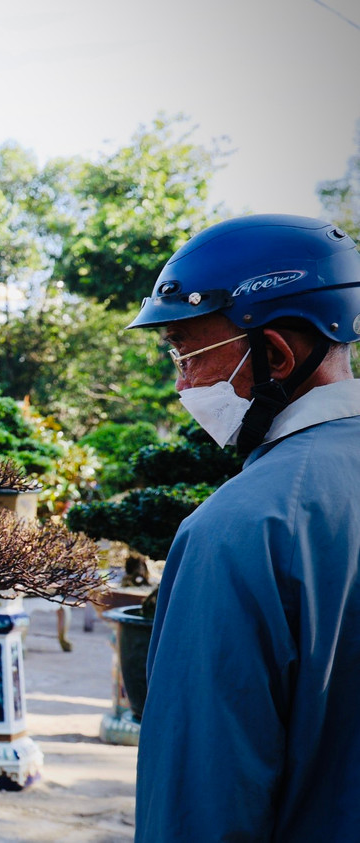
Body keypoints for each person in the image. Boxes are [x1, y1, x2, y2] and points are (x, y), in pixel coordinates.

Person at [125, 215, 360, 841]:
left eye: (187, 352)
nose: (180, 383)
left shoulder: (239, 528)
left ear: (277, 353)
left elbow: (201, 798)